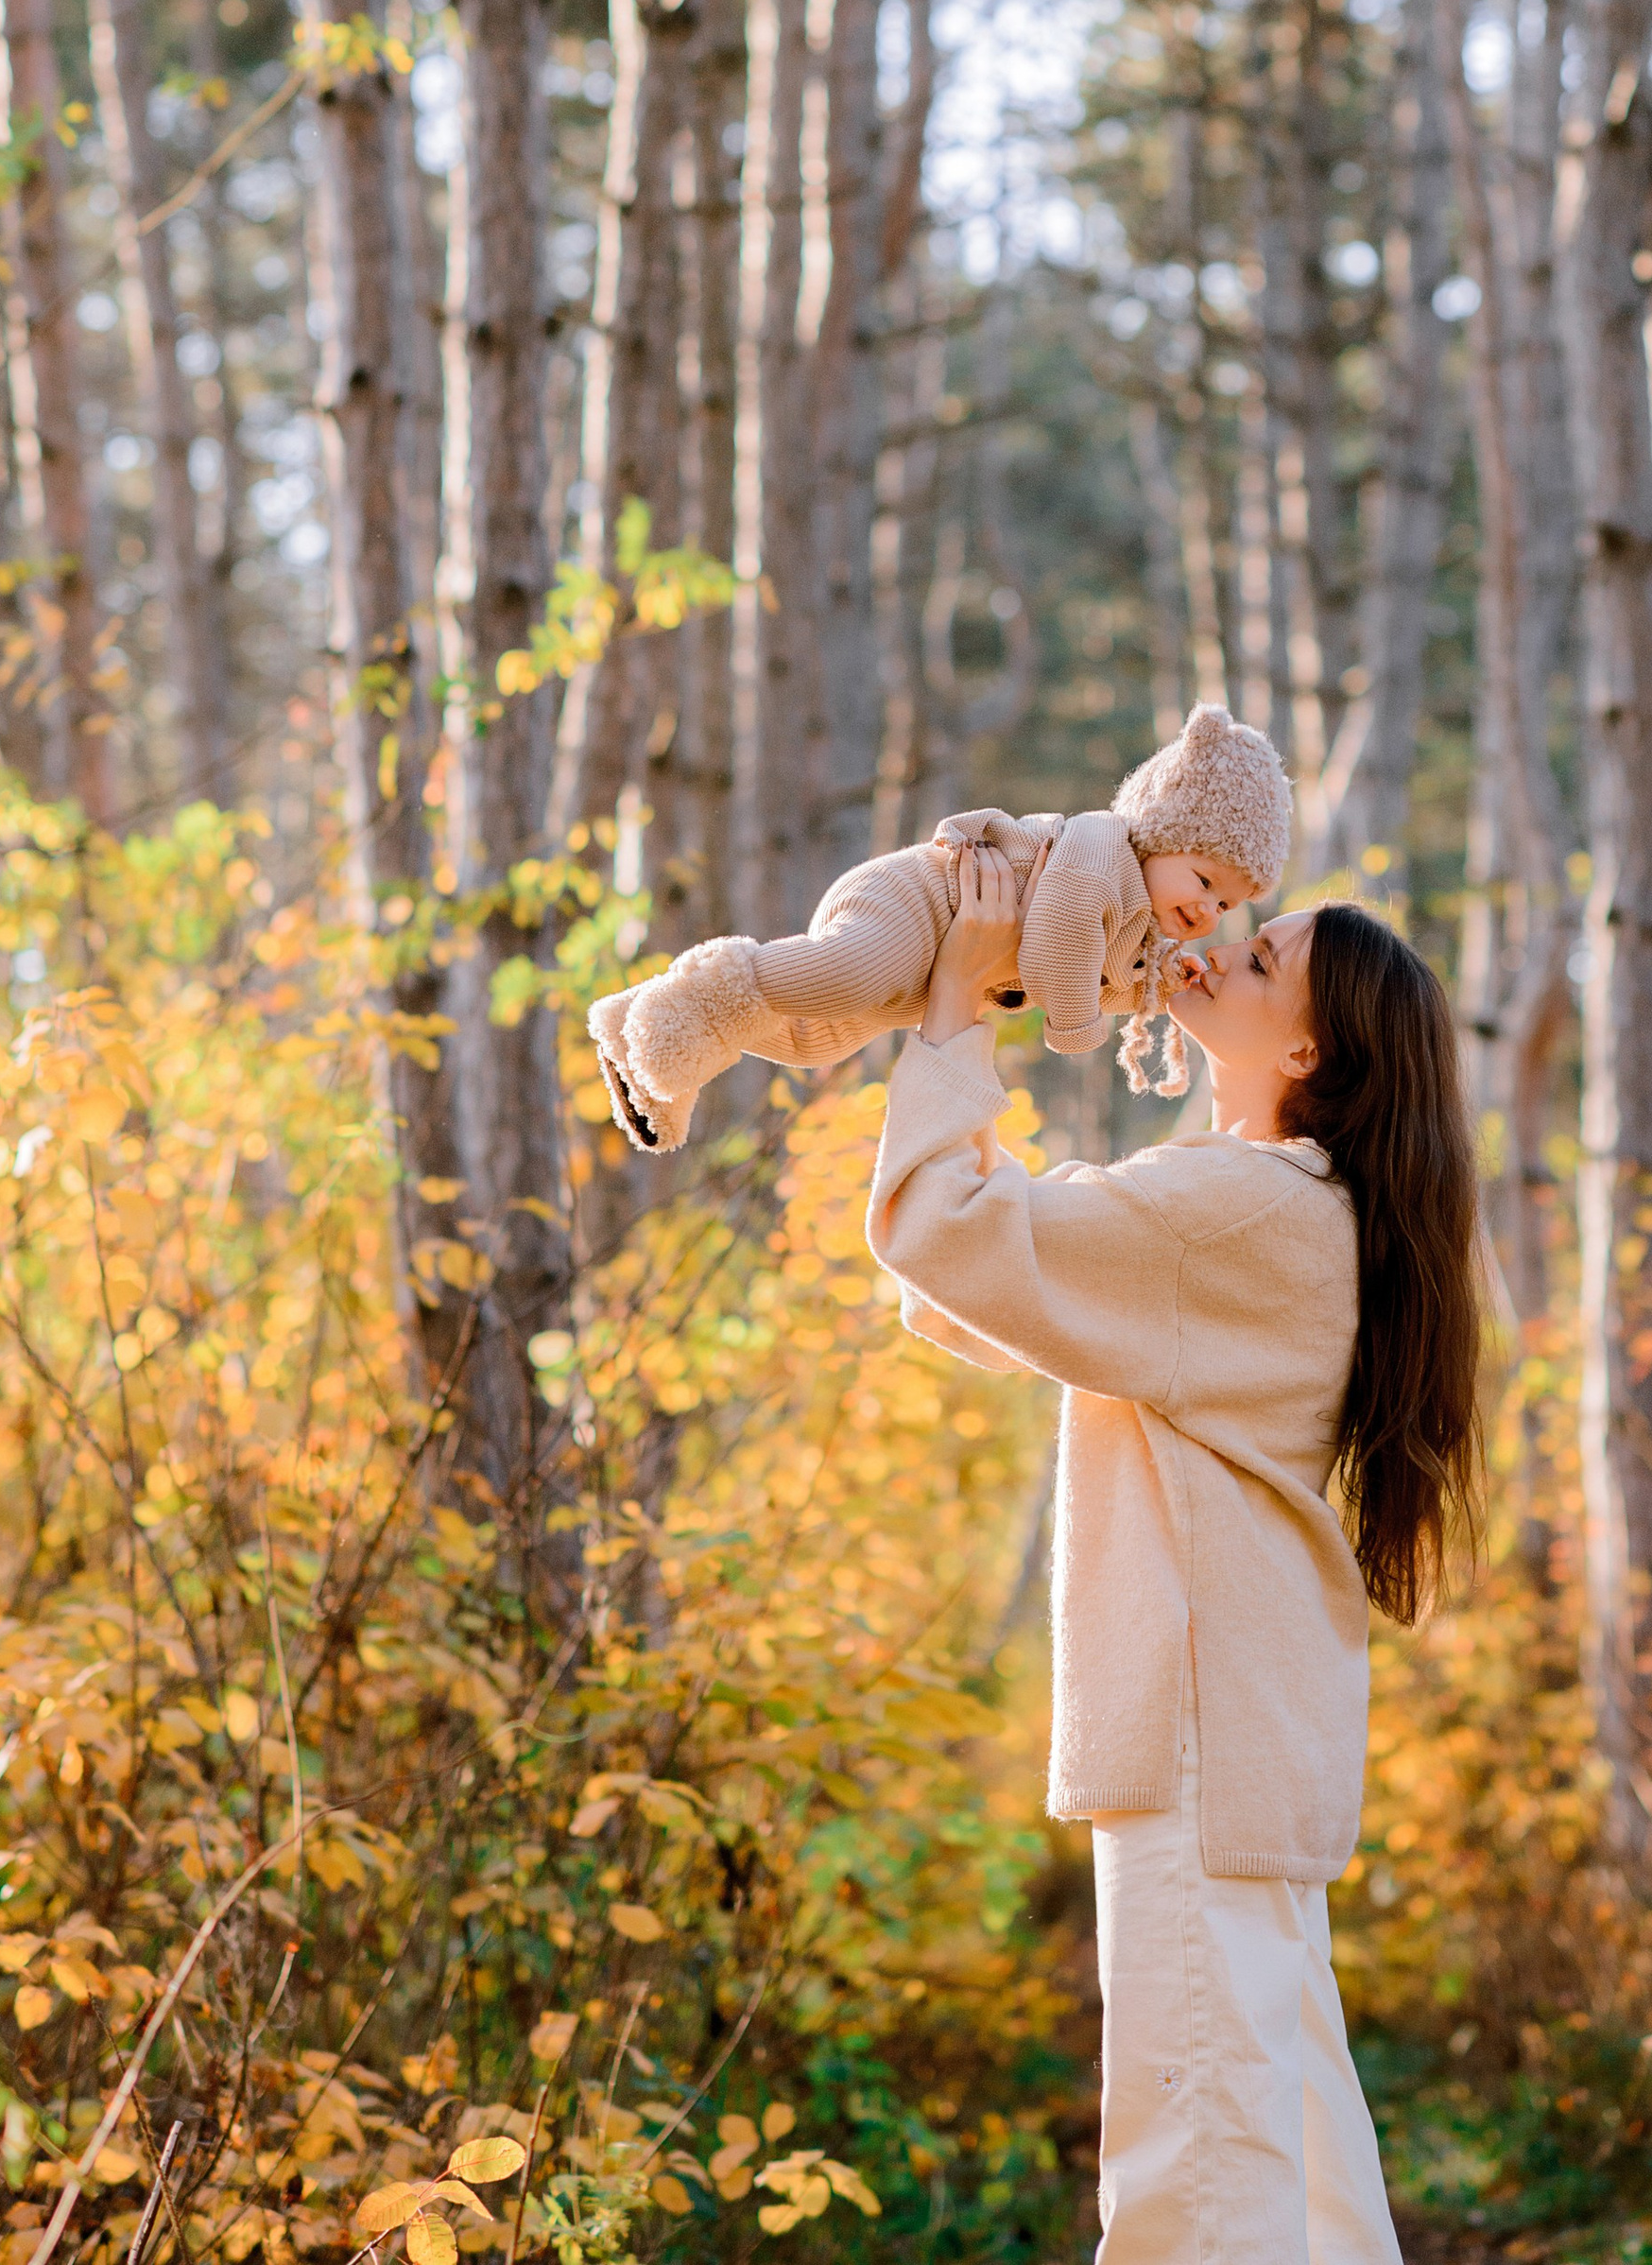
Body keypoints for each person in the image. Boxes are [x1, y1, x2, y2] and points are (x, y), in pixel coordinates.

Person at [866, 842, 1484, 2264]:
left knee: (1198, 2168)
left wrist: (959, 1015)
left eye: (1263, 959)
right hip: (1242, 1724)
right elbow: (1001, 1288)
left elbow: (946, 1240)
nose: (1226, 945)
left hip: (1207, 1730)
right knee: (1284, 2146)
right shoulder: (1275, 1201)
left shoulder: (1249, 1206)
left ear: (1311, 1043)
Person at [589, 702, 1289, 1152]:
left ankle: (643, 1025)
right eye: (1203, 881)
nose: (1207, 913)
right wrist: (1079, 1025)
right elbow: (1056, 948)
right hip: (917, 904)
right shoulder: (1100, 856)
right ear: (1158, 831)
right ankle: (695, 1003)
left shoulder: (1134, 914)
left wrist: (1151, 984)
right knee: (846, 974)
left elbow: (1090, 970)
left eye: (1226, 905)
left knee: (814, 1037)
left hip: (933, 971)